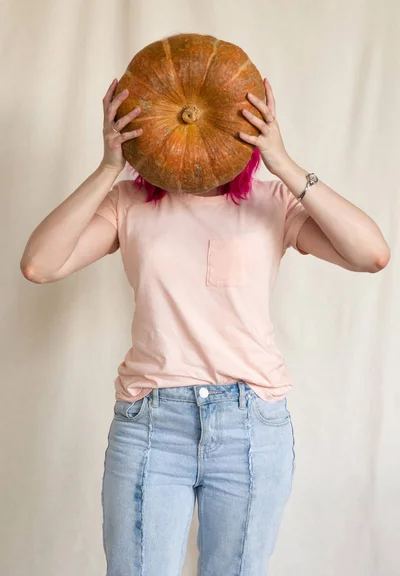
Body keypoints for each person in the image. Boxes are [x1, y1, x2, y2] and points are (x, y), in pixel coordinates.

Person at [20, 76, 391, 575]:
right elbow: (39, 266)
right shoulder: (129, 202)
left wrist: (282, 162)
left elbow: (372, 255)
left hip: (251, 425)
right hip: (151, 424)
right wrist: (109, 167)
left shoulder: (272, 203)